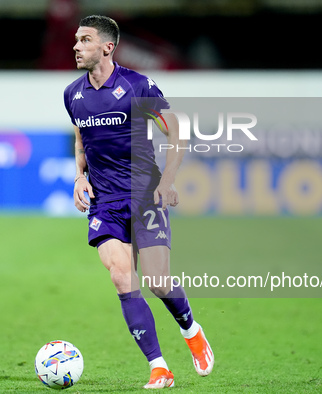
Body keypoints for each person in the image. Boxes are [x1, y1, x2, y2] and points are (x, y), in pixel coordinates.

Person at [63, 15, 214, 389]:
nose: (76, 46)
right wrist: (79, 176)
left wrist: (167, 180)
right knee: (121, 277)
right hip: (105, 203)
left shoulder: (136, 85)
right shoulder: (72, 94)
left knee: (159, 281)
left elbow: (175, 130)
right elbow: (82, 139)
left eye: (84, 40)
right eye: (76, 40)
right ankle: (159, 367)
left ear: (107, 47)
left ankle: (192, 330)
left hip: (145, 195)